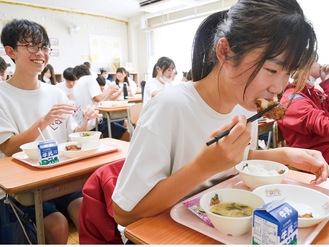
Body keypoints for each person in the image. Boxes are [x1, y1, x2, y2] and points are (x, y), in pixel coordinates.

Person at [112, 0, 328, 238]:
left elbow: (233, 160)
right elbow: (124, 213)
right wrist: (203, 167)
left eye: (288, 73)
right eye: (272, 70)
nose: (277, 88)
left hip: (221, 230)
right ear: (224, 52)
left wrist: (285, 155)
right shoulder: (169, 107)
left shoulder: (245, 104)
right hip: (163, 235)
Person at [0, 19, 102, 244]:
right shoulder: (3, 95)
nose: (41, 53)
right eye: (31, 46)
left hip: (60, 176)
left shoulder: (54, 92)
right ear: (11, 51)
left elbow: (72, 136)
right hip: (27, 184)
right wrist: (44, 121)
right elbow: (8, 148)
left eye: (44, 47)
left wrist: (86, 120)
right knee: (57, 225)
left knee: (89, 211)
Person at [278, 58, 329, 163]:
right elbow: (323, 124)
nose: (320, 64)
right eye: (316, 60)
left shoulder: (312, 92)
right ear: (305, 65)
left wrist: (326, 81)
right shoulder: (292, 97)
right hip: (315, 158)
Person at [73, 64, 130, 141]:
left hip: (84, 124)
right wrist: (109, 89)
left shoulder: (77, 84)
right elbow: (98, 98)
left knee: (123, 122)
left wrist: (109, 91)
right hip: (95, 123)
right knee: (127, 134)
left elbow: (98, 99)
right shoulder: (89, 78)